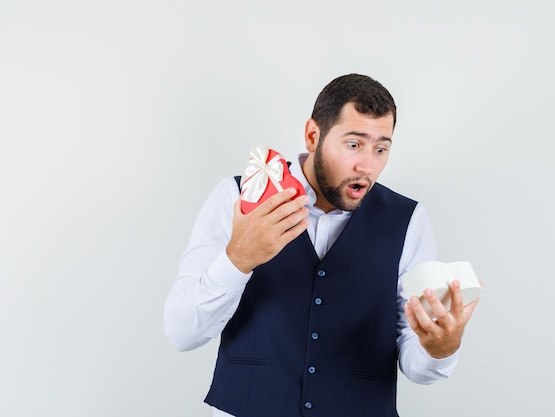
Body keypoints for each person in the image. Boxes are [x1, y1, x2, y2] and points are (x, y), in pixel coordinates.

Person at [164, 73, 479, 417]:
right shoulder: (237, 198)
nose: (367, 165)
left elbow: (415, 359)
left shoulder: (408, 220)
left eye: (381, 149)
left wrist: (440, 349)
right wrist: (238, 259)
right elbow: (181, 333)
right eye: (354, 144)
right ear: (313, 135)